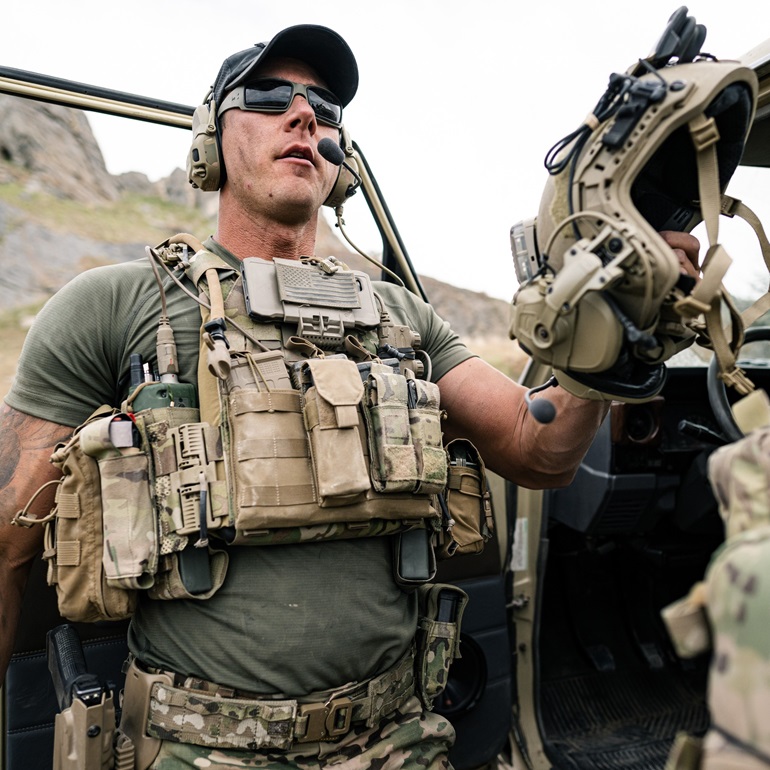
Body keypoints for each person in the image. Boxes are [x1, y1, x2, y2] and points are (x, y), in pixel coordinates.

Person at [0, 24, 700, 770]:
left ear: (339, 159)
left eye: (325, 107)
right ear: (209, 138)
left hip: (399, 739)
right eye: (269, 96)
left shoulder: (402, 316)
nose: (303, 115)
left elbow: (542, 450)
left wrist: (614, 339)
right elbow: (10, 542)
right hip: (199, 750)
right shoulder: (113, 305)